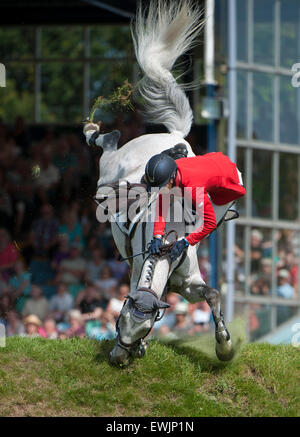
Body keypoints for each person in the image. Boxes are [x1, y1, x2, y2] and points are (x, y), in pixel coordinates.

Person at [146, 152, 246, 262]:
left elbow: (210, 224)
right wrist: (157, 236)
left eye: (162, 186)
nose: (161, 190)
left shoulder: (193, 188)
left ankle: (222, 214)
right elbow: (161, 205)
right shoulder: (172, 169)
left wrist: (185, 242)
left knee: (201, 224)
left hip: (230, 183)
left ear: (171, 178)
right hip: (215, 161)